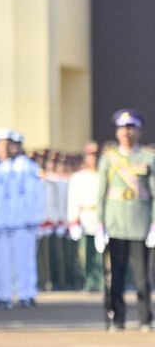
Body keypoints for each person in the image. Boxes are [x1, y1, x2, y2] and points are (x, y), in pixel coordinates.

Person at [95, 109, 155, 331]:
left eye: (131, 128)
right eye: (122, 128)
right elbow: (101, 194)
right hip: (115, 224)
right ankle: (116, 318)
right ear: (117, 132)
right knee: (115, 277)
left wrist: (153, 224)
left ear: (139, 131)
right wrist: (100, 225)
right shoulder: (108, 159)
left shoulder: (148, 159)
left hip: (140, 224)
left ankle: (145, 318)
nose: (127, 132)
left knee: (143, 278)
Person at [66, 143, 103, 292]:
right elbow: (72, 200)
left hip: (101, 218)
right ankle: (88, 280)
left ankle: (101, 280)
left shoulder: (103, 174)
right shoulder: (78, 177)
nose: (93, 159)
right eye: (90, 155)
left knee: (101, 254)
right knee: (86, 254)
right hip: (85, 217)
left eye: (95, 155)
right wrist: (73, 221)